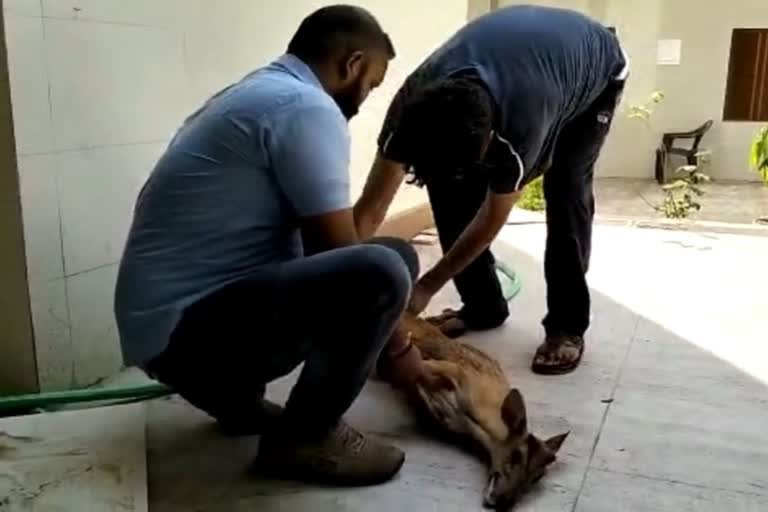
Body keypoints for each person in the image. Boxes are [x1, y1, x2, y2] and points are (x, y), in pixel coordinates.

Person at [115, 5, 426, 487]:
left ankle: (235, 402)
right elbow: (336, 250)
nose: (364, 99)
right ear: (352, 64)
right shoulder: (305, 107)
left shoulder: (260, 93)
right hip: (188, 337)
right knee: (382, 271)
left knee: (394, 257)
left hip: (167, 332)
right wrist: (402, 350)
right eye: (371, 83)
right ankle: (308, 437)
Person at [354, 5, 629, 375]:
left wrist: (425, 287)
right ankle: (483, 307)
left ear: (489, 142)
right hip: (524, 55)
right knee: (448, 185)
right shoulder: (409, 111)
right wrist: (336, 286)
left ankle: (567, 327)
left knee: (566, 189)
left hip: (596, 67)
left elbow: (489, 220)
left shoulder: (521, 128)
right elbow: (369, 211)